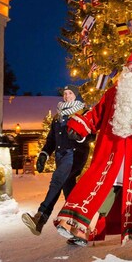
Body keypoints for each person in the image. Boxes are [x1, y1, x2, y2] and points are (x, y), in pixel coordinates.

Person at [54, 51, 132, 257]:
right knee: (101, 188)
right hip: (114, 152)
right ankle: (80, 229)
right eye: (129, 69)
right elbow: (96, 114)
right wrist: (82, 126)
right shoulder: (113, 92)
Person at [21, 85, 92, 238]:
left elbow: (92, 133)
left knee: (57, 180)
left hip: (75, 154)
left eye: (70, 93)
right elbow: (51, 140)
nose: (67, 96)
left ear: (76, 95)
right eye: (65, 94)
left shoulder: (83, 112)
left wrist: (81, 137)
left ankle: (40, 217)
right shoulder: (57, 116)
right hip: (61, 156)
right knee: (68, 189)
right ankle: (78, 228)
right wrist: (44, 154)